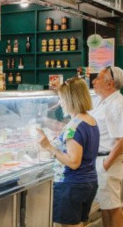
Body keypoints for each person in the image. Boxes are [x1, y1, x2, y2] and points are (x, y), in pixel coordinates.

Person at [37, 77, 99, 227]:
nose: (60, 103)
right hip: (88, 182)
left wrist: (49, 147)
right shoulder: (90, 120)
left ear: (70, 99)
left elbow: (73, 162)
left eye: (61, 99)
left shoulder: (73, 126)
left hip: (71, 185)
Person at [91, 66, 123, 227]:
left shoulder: (116, 104)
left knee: (113, 206)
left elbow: (121, 140)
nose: (93, 81)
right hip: (99, 160)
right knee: (105, 206)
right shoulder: (102, 101)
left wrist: (105, 165)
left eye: (97, 78)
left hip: (107, 160)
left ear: (109, 84)